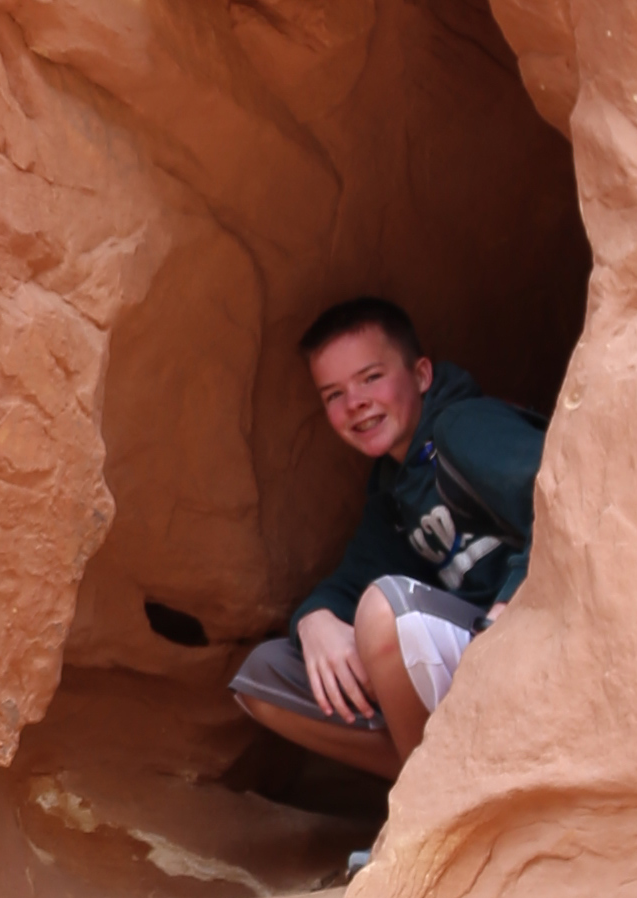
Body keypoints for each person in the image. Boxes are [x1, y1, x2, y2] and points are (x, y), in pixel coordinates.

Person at [229, 294, 545, 789]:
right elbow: (351, 579)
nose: (355, 403)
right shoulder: (391, 492)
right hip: (467, 666)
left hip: (532, 643)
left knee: (382, 612)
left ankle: (431, 810)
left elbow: (564, 497)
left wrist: (507, 610)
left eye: (371, 378)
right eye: (333, 394)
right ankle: (442, 789)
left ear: (421, 376)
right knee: (265, 679)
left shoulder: (465, 426)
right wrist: (313, 621)